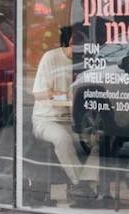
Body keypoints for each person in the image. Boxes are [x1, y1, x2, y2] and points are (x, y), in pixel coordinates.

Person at [32, 26, 96, 204]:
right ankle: (79, 184)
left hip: (73, 119)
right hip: (46, 119)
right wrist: (63, 96)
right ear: (70, 42)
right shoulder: (50, 58)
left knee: (98, 142)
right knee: (63, 139)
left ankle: (90, 183)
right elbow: (39, 93)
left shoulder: (85, 62)